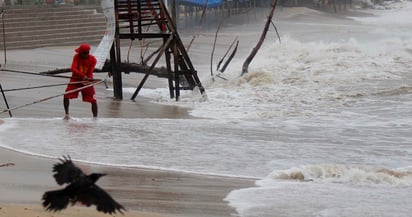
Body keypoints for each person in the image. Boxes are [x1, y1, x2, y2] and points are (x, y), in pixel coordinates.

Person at [63, 43, 98, 120]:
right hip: (76, 78)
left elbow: (90, 72)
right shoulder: (76, 57)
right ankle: (67, 115)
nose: (79, 53)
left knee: (93, 100)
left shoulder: (93, 60)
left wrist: (86, 78)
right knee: (66, 95)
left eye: (80, 52)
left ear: (86, 53)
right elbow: (73, 68)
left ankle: (95, 119)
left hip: (87, 80)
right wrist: (82, 75)